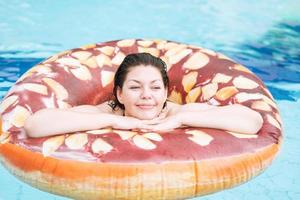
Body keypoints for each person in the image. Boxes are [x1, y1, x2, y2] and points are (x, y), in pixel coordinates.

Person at [24, 53, 263, 138]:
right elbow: (35, 126)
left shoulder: (179, 112)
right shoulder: (105, 112)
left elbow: (252, 122)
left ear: (166, 92)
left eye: (156, 88)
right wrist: (115, 121)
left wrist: (179, 121)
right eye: (135, 87)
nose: (147, 95)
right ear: (119, 93)